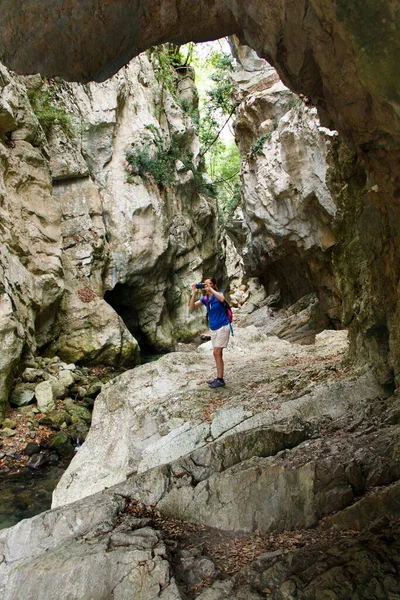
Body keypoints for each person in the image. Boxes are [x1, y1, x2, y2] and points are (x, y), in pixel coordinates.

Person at [190, 277, 230, 388]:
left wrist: (211, 290)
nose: (206, 285)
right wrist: (194, 293)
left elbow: (222, 299)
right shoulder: (205, 299)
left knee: (216, 352)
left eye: (209, 284)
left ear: (214, 285)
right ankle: (219, 378)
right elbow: (192, 306)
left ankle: (220, 379)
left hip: (223, 326)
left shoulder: (218, 294)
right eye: (205, 284)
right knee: (218, 354)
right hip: (213, 328)